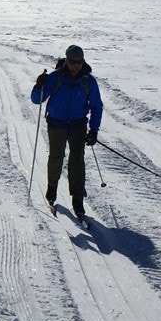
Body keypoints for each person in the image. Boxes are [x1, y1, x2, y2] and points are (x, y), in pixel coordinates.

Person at [31, 44, 102, 218]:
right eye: (72, 61)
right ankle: (51, 190)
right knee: (56, 156)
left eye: (79, 61)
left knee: (77, 160)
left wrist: (93, 130)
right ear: (66, 60)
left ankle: (77, 199)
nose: (75, 65)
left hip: (78, 125)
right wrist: (38, 85)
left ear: (83, 61)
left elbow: (97, 106)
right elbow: (36, 100)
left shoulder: (88, 81)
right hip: (56, 124)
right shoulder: (55, 78)